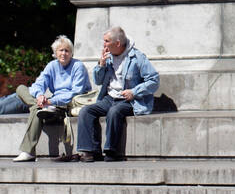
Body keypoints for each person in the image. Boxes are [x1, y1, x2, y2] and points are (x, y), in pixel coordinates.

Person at [74, 27, 159, 163]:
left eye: (107, 41)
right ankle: (89, 151)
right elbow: (98, 80)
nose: (104, 44)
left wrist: (134, 92)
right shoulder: (107, 57)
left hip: (129, 101)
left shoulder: (137, 57)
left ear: (117, 43)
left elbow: (154, 80)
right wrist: (100, 65)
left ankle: (111, 150)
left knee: (114, 112)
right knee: (86, 111)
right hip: (108, 98)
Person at [11, 36, 90, 163]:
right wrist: (39, 96)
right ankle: (39, 106)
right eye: (60, 50)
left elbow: (76, 92)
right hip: (49, 104)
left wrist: (51, 101)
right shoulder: (52, 66)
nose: (64, 53)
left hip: (66, 104)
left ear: (71, 53)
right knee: (21, 88)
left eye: (67, 50)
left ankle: (28, 151)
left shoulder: (78, 66)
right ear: (55, 52)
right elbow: (37, 85)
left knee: (37, 109)